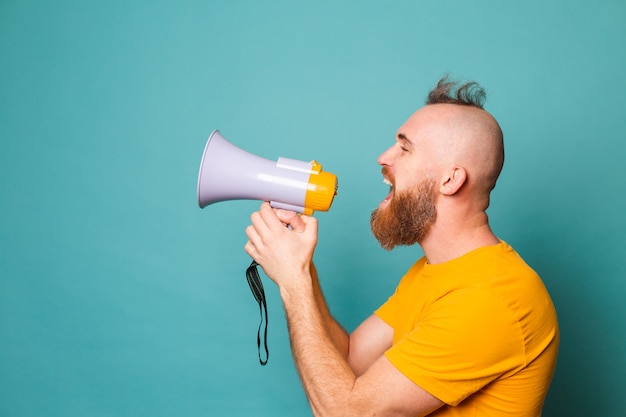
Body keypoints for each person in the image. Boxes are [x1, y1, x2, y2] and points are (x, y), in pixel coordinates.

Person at [244, 76, 559, 416]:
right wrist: (302, 269)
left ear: (451, 180)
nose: (383, 157)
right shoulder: (432, 272)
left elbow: (345, 412)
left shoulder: (491, 299)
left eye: (405, 148)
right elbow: (351, 358)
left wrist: (293, 282)